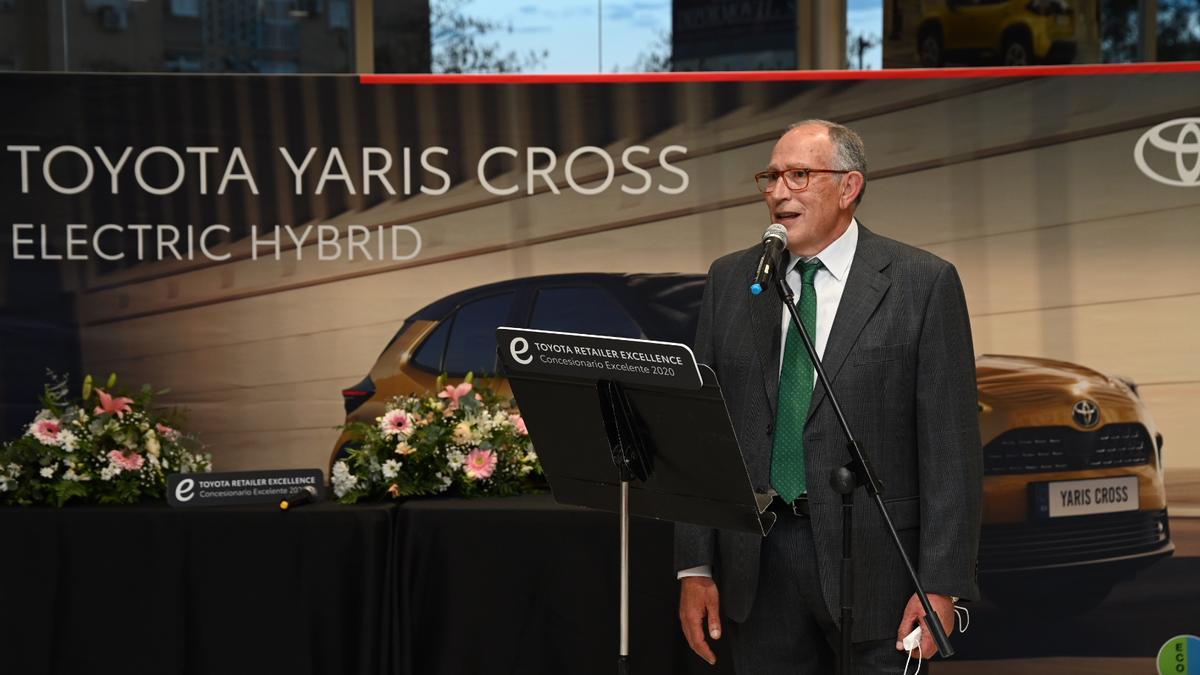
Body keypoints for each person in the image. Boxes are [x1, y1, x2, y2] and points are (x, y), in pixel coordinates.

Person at [675, 120, 982, 674]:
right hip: (757, 566)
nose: (777, 192)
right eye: (770, 177)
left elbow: (951, 450)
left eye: (799, 175)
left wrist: (942, 585)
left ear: (849, 187)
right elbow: (703, 437)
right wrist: (695, 566)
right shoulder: (732, 280)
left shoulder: (921, 283)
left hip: (880, 572)